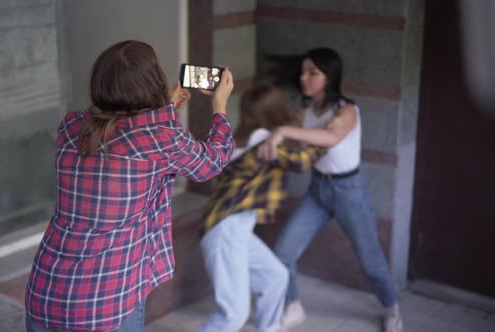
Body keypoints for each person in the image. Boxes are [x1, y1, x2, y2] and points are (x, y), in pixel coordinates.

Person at [24, 40, 235, 332]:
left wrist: (166, 110)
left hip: (46, 293)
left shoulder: (70, 127)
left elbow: (120, 133)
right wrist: (220, 104)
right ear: (154, 83)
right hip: (107, 301)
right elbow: (213, 161)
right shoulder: (161, 139)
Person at [258, 47, 404, 332]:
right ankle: (293, 306)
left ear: (330, 76)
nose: (304, 78)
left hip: (349, 192)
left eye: (313, 73)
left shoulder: (347, 111)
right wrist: (265, 140)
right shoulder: (306, 111)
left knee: (370, 261)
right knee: (283, 253)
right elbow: (288, 144)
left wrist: (284, 132)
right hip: (317, 190)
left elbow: (332, 136)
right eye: (303, 72)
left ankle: (391, 307)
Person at [197, 85, 326, 332]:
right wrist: (331, 137)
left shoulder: (248, 138)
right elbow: (301, 161)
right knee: (234, 316)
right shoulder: (264, 143)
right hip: (225, 230)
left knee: (275, 277)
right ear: (277, 111)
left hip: (235, 228)